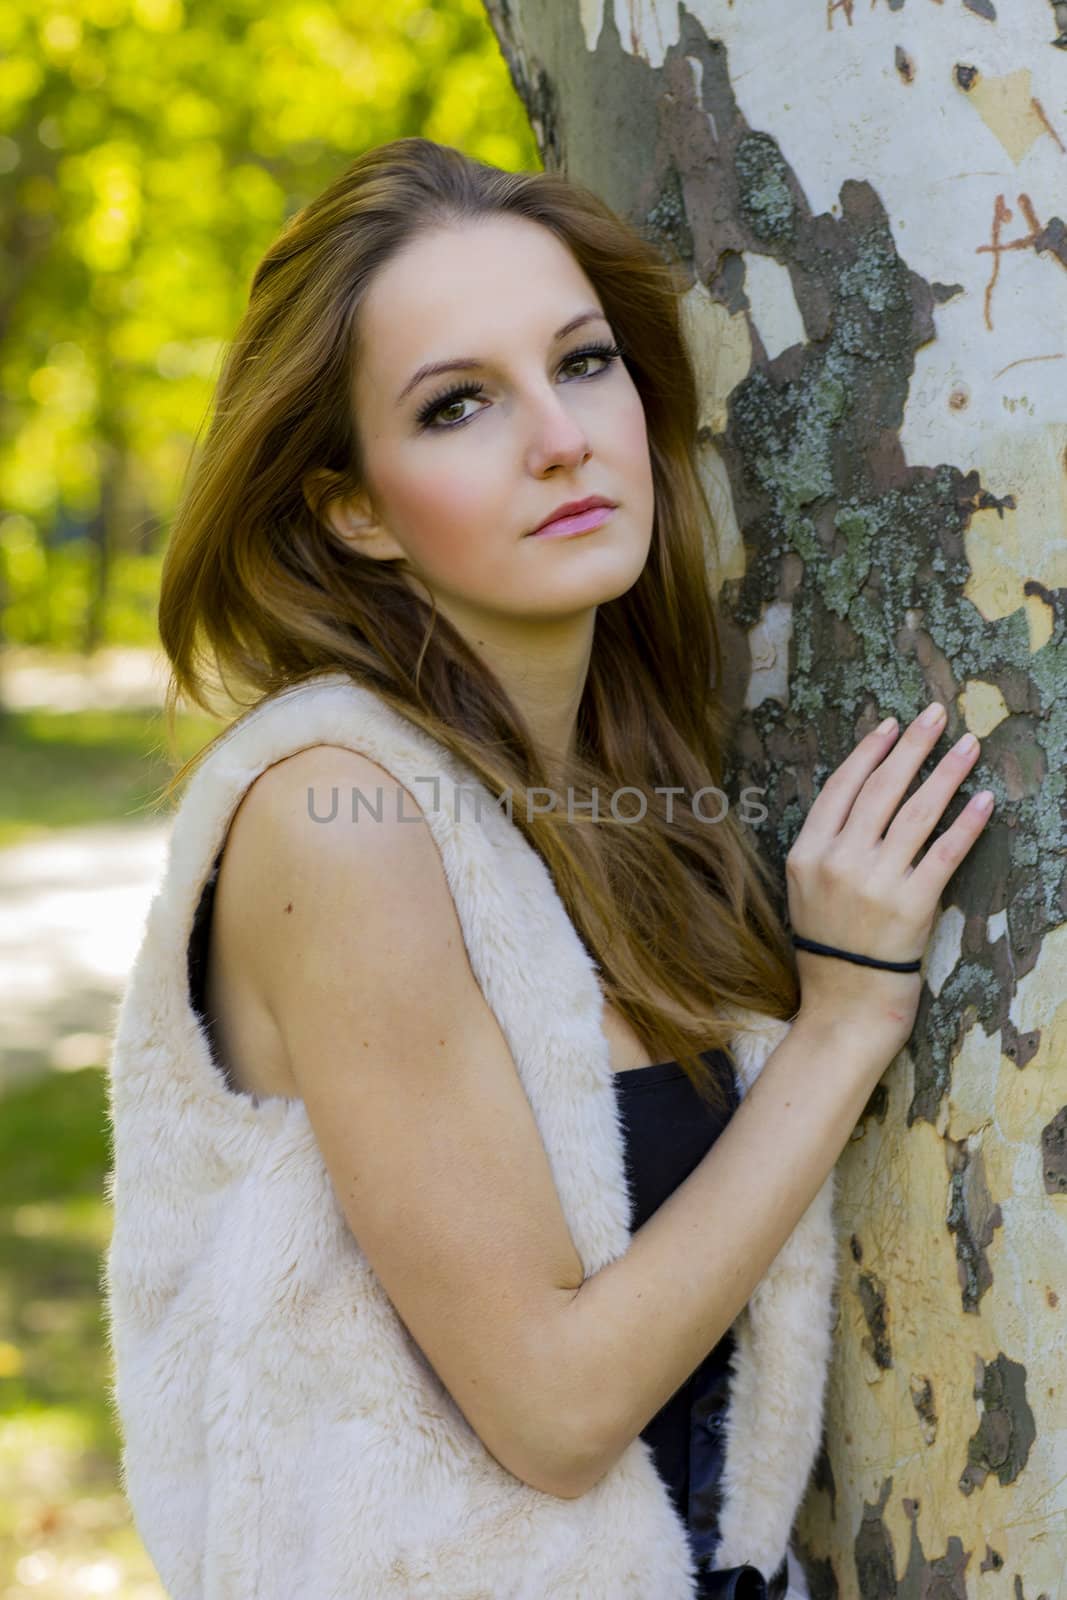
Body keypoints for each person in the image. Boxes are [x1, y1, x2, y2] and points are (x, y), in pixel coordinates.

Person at [103, 137, 994, 1600]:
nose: (561, 437)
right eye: (458, 405)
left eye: (584, 365)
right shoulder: (342, 813)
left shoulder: (627, 799)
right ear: (355, 507)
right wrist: (845, 1024)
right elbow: (558, 1411)